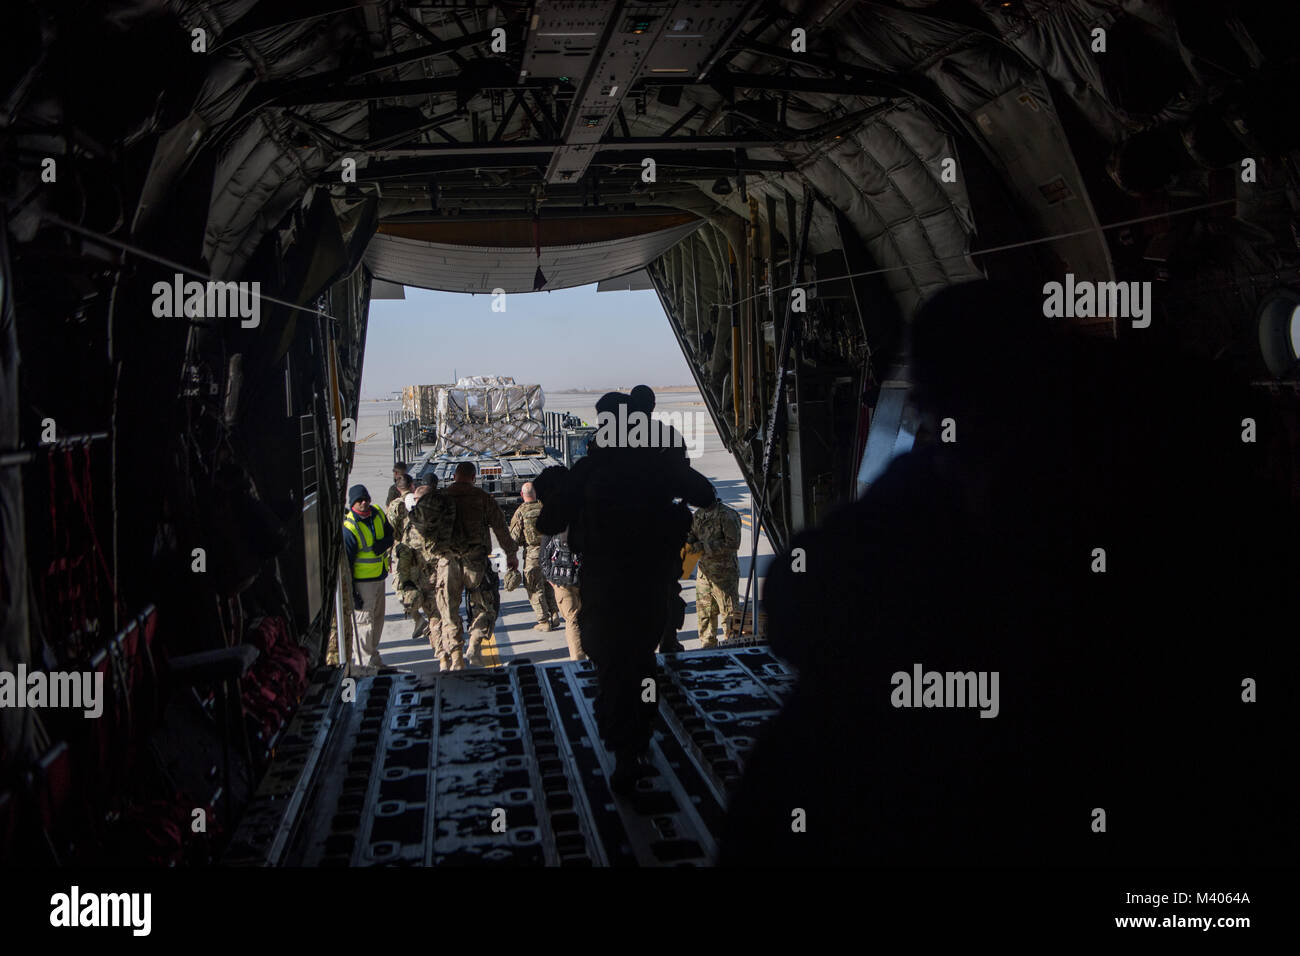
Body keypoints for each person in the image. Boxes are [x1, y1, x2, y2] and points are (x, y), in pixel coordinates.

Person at [720, 279, 1300, 867]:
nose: (927, 416)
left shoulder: (955, 491)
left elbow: (800, 609)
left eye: (934, 400)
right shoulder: (1192, 464)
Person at [538, 392, 714, 793]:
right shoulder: (658, 464)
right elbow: (704, 494)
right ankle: (635, 742)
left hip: (605, 585)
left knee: (614, 666)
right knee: (639, 661)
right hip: (649, 583)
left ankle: (625, 751)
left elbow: (548, 521)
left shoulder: (591, 468)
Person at [433, 461, 517, 670]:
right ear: (473, 478)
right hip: (476, 562)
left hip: (448, 562)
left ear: (454, 476)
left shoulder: (441, 498)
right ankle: (474, 643)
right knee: (486, 605)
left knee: (449, 611)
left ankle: (455, 658)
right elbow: (500, 527)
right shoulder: (482, 498)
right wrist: (511, 554)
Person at [630, 385, 692, 654]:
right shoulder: (667, 436)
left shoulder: (610, 438)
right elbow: (684, 478)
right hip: (660, 525)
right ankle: (668, 639)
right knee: (666, 586)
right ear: (653, 406)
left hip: (625, 526)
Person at [534, 465, 585, 661]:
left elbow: (544, 552)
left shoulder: (554, 514)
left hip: (563, 578)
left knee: (573, 621)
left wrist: (551, 577)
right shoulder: (587, 507)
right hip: (583, 575)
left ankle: (578, 661)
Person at [342, 485, 394, 667]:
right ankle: (365, 664)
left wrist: (384, 543)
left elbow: (390, 533)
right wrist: (352, 593)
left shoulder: (377, 512)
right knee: (364, 624)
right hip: (363, 585)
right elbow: (346, 565)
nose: (364, 502)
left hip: (379, 578)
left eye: (366, 498)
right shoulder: (350, 528)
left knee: (378, 621)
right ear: (353, 503)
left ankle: (374, 657)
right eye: (359, 500)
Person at [387, 478, 441, 642]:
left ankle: (420, 619)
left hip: (405, 551)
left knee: (405, 589)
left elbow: (391, 530)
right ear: (411, 486)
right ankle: (433, 630)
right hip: (425, 558)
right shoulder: (426, 505)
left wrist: (389, 553)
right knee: (431, 600)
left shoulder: (395, 505)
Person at [688, 492, 742, 647]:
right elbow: (692, 535)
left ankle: (732, 647)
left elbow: (733, 544)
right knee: (705, 615)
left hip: (724, 576)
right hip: (704, 575)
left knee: (729, 616)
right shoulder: (698, 516)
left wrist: (704, 547)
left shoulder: (727, 516)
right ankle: (707, 647)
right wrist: (689, 544)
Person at [509, 481, 560, 631]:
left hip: (533, 555)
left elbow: (514, 538)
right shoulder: (545, 508)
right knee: (547, 584)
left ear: (522, 495)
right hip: (550, 554)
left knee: (533, 587)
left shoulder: (521, 512)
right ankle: (554, 613)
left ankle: (543, 621)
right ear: (535, 493)